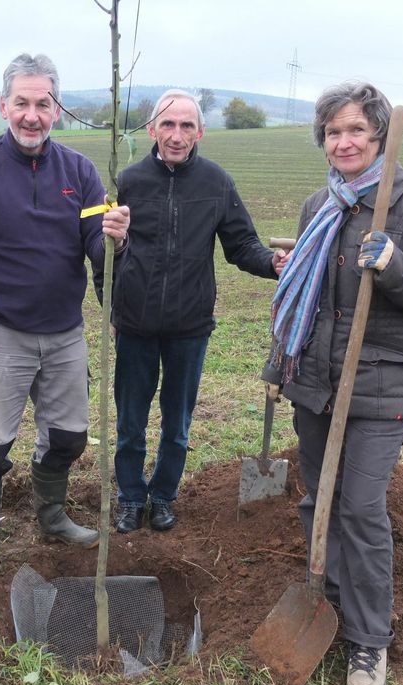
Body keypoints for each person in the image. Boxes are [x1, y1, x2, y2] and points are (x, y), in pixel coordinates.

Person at [262, 81, 403, 685]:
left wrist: (396, 264)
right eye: (333, 132)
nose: (344, 142)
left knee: (359, 508)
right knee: (313, 501)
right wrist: (280, 368)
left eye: (356, 131)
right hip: (315, 383)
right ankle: (327, 605)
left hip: (381, 385)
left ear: (379, 137)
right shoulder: (317, 207)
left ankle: (369, 640)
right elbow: (306, 300)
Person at [0, 53, 130, 589]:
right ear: (4, 106)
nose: (31, 114)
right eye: (21, 102)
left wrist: (113, 234)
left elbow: (94, 245)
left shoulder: (81, 173)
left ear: (57, 109)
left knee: (69, 436)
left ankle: (51, 516)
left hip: (65, 333)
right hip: (3, 333)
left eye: (42, 103)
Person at [111, 89, 289, 534]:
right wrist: (112, 306)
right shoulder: (129, 180)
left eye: (186, 126)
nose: (176, 135)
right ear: (151, 129)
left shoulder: (216, 183)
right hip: (134, 324)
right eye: (167, 125)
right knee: (130, 420)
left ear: (200, 132)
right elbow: (107, 253)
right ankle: (131, 497)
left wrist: (272, 264)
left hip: (190, 326)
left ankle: (164, 495)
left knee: (178, 420)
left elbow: (241, 245)